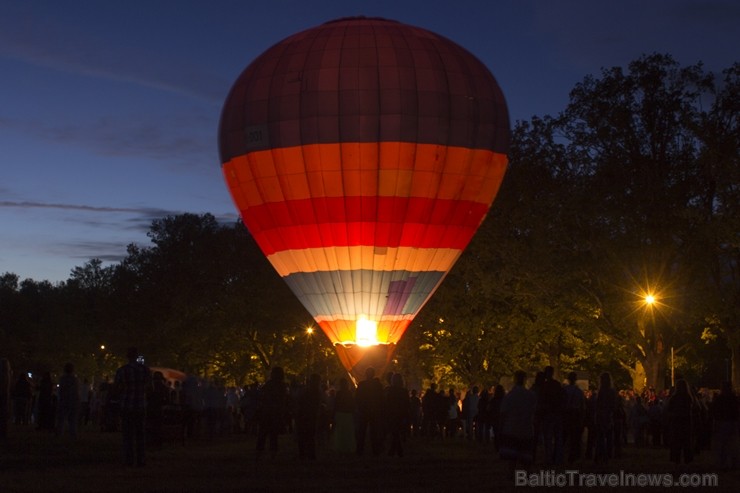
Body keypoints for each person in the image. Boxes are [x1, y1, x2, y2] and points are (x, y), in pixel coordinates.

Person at [114, 347, 151, 467]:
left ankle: (129, 459)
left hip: (127, 405)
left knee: (127, 434)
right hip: (140, 404)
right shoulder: (145, 370)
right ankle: (141, 459)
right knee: (140, 434)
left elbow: (116, 388)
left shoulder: (122, 371)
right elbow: (149, 388)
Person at [499, 370, 537, 473]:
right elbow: (535, 412)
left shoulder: (509, 396)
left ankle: (511, 473)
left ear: (515, 380)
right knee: (526, 456)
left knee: (512, 456)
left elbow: (503, 413)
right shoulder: (531, 395)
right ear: (525, 380)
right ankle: (527, 473)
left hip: (511, 428)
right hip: (526, 428)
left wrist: (501, 428)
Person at [255, 366, 289, 460]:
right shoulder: (282, 386)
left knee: (263, 433)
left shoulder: (269, 385)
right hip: (276, 412)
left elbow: (262, 396)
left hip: (267, 411)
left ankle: (259, 451)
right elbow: (284, 400)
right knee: (273, 434)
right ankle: (273, 453)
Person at [664, 379, 696, 465]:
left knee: (676, 441)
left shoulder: (674, 398)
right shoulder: (688, 398)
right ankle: (687, 458)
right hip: (686, 421)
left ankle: (676, 459)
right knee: (686, 441)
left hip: (676, 421)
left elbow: (668, 409)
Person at [355, 366, 385, 456]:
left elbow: (357, 397)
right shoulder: (377, 385)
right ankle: (375, 450)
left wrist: (359, 407)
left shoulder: (362, 384)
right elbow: (381, 398)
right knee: (374, 432)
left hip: (364, 410)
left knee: (362, 431)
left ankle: (360, 450)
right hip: (374, 410)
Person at [710, 381, 739, 470]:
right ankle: (733, 463)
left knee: (722, 444)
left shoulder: (719, 399)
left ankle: (723, 463)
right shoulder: (734, 398)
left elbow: (713, 410)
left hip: (722, 422)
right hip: (731, 422)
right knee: (731, 444)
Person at [593, 372, 619, 464]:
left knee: (600, 436)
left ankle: (599, 454)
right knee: (608, 436)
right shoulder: (611, 391)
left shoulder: (601, 391)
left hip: (601, 415)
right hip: (608, 415)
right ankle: (607, 454)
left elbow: (598, 404)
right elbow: (614, 405)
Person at [296, 373, 323, 460]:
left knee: (303, 435)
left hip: (305, 415)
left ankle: (303, 453)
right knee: (310, 436)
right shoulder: (317, 391)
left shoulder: (307, 391)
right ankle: (310, 454)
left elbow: (300, 402)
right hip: (312, 415)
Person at [563, 371, 585, 463]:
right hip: (575, 414)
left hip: (566, 413)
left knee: (565, 435)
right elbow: (582, 405)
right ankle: (574, 454)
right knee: (575, 436)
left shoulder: (564, 390)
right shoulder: (578, 391)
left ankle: (562, 454)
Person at [385, 373, 409, 457]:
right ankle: (397, 451)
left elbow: (387, 402)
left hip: (392, 414)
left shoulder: (390, 390)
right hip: (401, 414)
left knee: (395, 433)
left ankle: (395, 451)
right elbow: (407, 404)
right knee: (396, 432)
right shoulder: (404, 391)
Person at [331, 377, 356, 453]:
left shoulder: (339, 393)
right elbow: (352, 404)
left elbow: (336, 405)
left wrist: (333, 415)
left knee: (340, 431)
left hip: (340, 414)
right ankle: (348, 447)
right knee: (348, 431)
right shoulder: (349, 393)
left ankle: (340, 446)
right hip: (348, 414)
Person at [56, 362, 80, 438]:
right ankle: (73, 433)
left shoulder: (62, 379)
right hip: (72, 400)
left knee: (61, 418)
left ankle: (60, 433)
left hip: (64, 400)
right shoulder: (75, 379)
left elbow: (60, 390)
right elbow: (76, 391)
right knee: (72, 419)